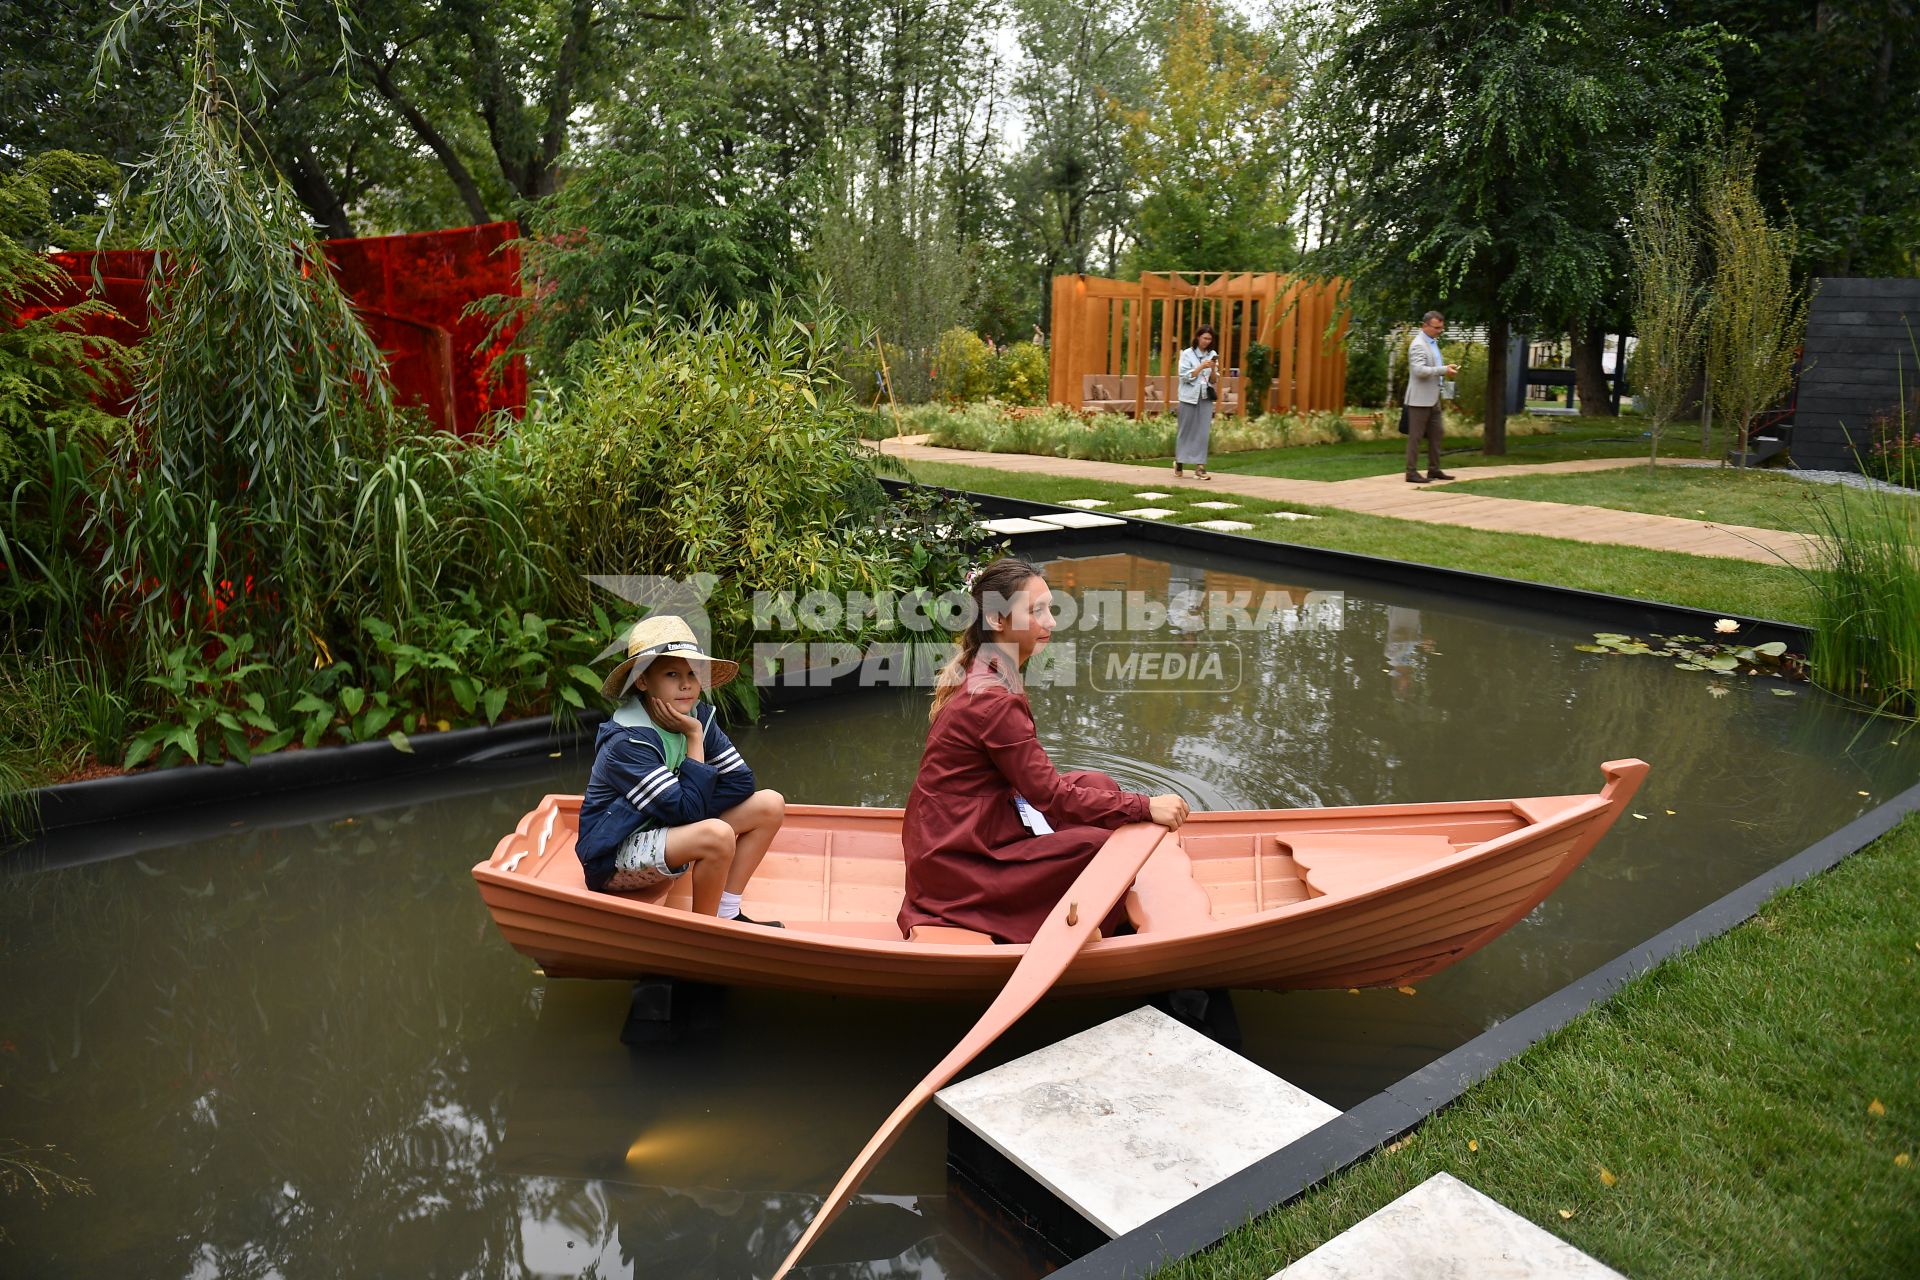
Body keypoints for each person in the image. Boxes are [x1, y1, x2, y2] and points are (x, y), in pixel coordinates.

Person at [897, 558, 1192, 943]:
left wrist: (1122, 804)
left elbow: (1035, 786)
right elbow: (1050, 797)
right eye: (1036, 611)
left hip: (971, 829)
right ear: (999, 620)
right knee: (1098, 848)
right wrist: (1144, 806)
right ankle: (1100, 926)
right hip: (958, 862)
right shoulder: (994, 698)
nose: (1051, 622)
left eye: (1049, 608)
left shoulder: (989, 666)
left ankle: (1087, 889)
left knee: (1098, 783)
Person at [576, 615, 786, 925]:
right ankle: (703, 934)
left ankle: (728, 913)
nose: (686, 684)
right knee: (715, 835)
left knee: (770, 804)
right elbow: (689, 813)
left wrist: (690, 804)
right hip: (614, 857)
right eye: (672, 674)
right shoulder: (626, 740)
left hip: (667, 832)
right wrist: (693, 739)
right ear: (643, 681)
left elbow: (740, 783)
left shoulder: (697, 715)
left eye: (692, 673)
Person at [1405, 310, 1460, 484]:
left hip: (1433, 396)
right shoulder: (1418, 345)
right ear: (1425, 326)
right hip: (1419, 399)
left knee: (1437, 433)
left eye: (1441, 328)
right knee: (1416, 437)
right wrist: (1444, 370)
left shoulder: (1433, 343)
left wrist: (1445, 368)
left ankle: (1433, 469)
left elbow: (1433, 367)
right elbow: (1419, 371)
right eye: (1436, 328)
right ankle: (1411, 472)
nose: (1439, 331)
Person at [1175, 325, 1220, 480]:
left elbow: (1214, 380)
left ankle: (1200, 467)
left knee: (1202, 432)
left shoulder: (1213, 354)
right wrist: (1201, 366)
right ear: (1198, 337)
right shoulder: (1187, 354)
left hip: (1205, 397)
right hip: (1188, 396)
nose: (1207, 341)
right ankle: (1179, 461)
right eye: (1204, 338)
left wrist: (1213, 369)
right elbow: (1184, 376)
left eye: (1209, 339)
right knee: (1185, 430)